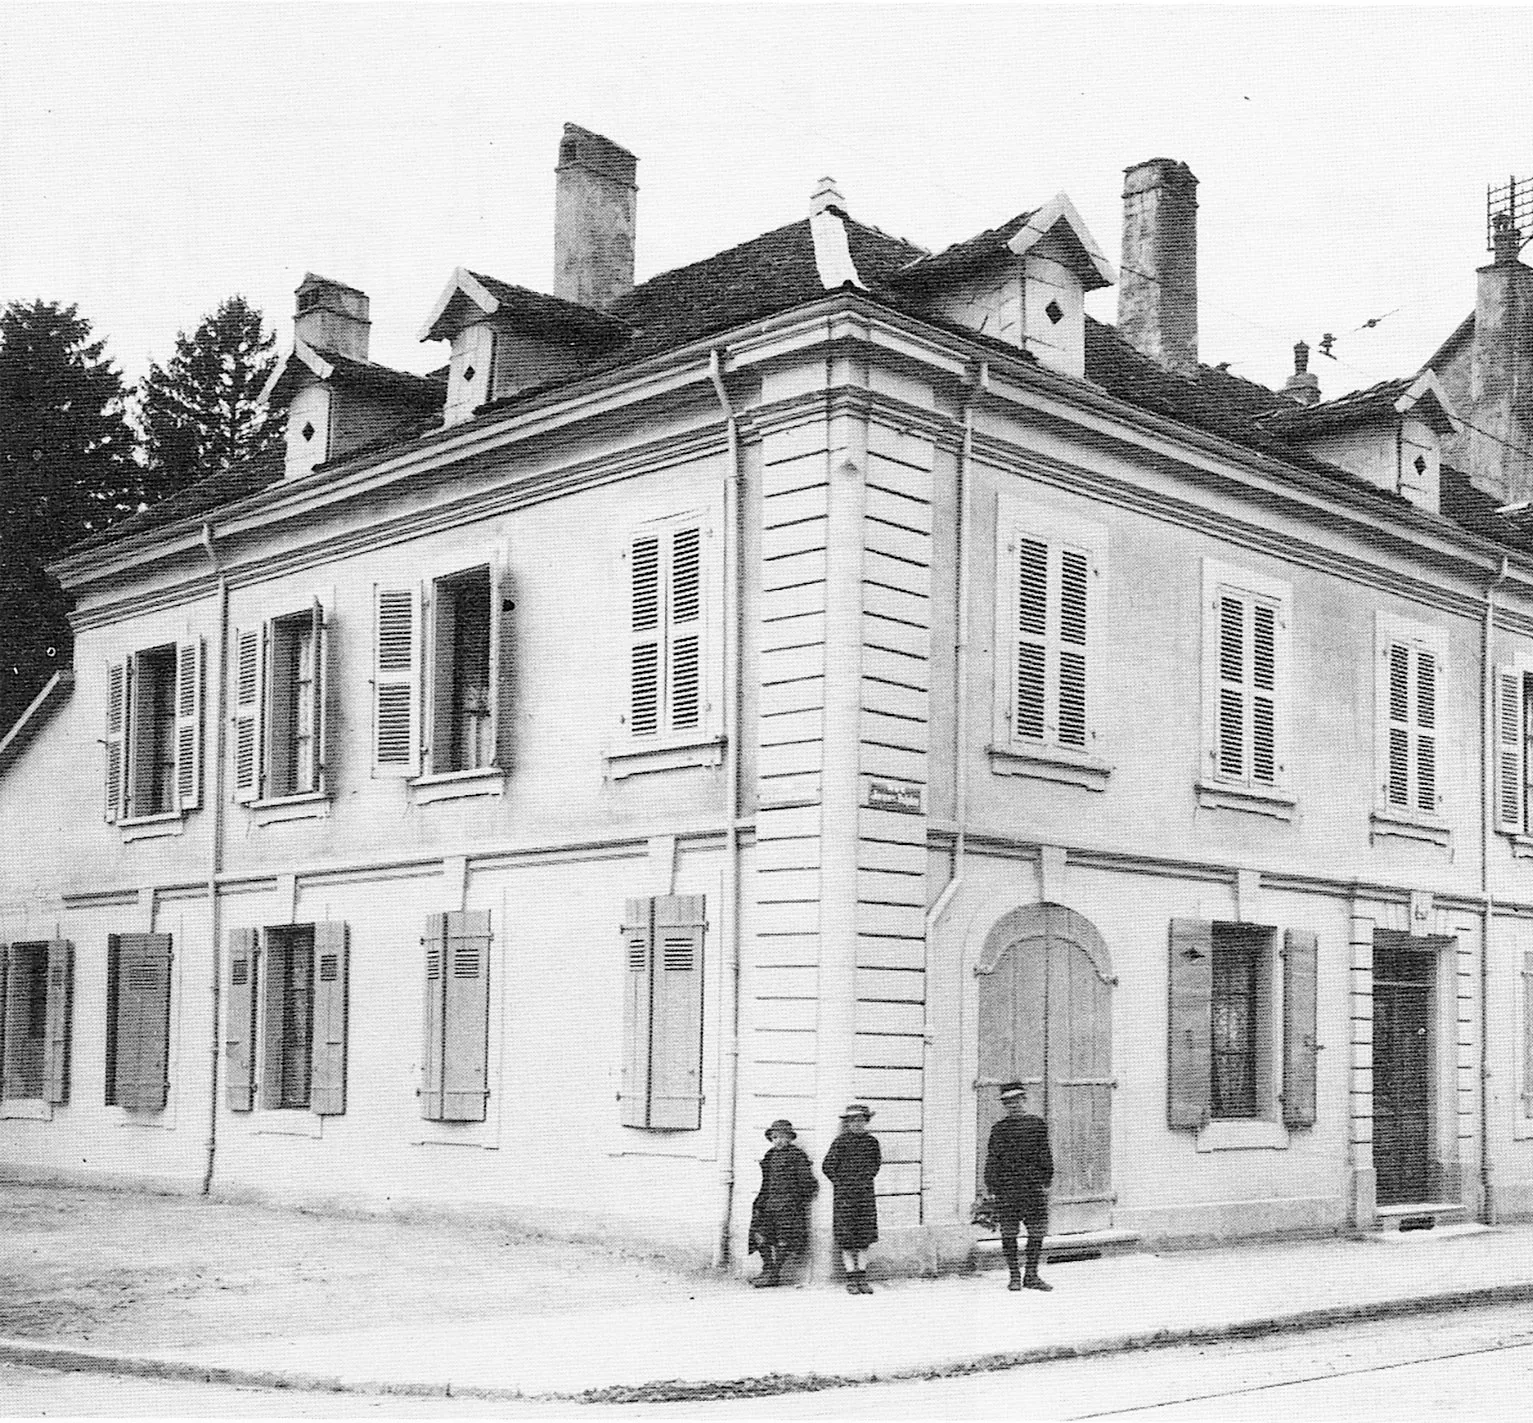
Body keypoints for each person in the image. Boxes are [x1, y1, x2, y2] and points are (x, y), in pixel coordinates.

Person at [984, 1080, 1054, 1292]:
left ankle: (1031, 1275)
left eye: (1017, 1100)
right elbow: (992, 1159)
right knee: (1008, 1233)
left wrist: (1046, 1179)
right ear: (1004, 1105)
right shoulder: (999, 1129)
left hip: (1032, 1187)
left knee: (1037, 1231)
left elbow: (1045, 1154)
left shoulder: (1037, 1124)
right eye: (1007, 1102)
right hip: (1007, 1188)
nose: (1013, 1105)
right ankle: (1014, 1276)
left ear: (1025, 1100)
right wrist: (991, 1186)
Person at [748, 1118, 818, 1287]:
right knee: (759, 1235)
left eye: (782, 1137)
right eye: (775, 1137)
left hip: (788, 1206)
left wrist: (796, 1200)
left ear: (790, 1138)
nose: (778, 1141)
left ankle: (774, 1274)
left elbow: (808, 1183)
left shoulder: (797, 1155)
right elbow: (766, 1180)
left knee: (784, 1239)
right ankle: (767, 1269)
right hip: (768, 1203)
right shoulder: (770, 1155)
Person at [821, 1102, 881, 1294]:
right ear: (847, 1123)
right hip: (844, 1198)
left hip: (864, 1196)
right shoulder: (840, 1142)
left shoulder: (872, 1142)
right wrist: (841, 1183)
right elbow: (827, 1166)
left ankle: (862, 1278)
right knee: (847, 1240)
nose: (857, 1124)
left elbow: (876, 1164)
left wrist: (864, 1178)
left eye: (861, 1120)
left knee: (863, 1239)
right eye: (853, 1121)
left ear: (866, 1121)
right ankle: (850, 1279)